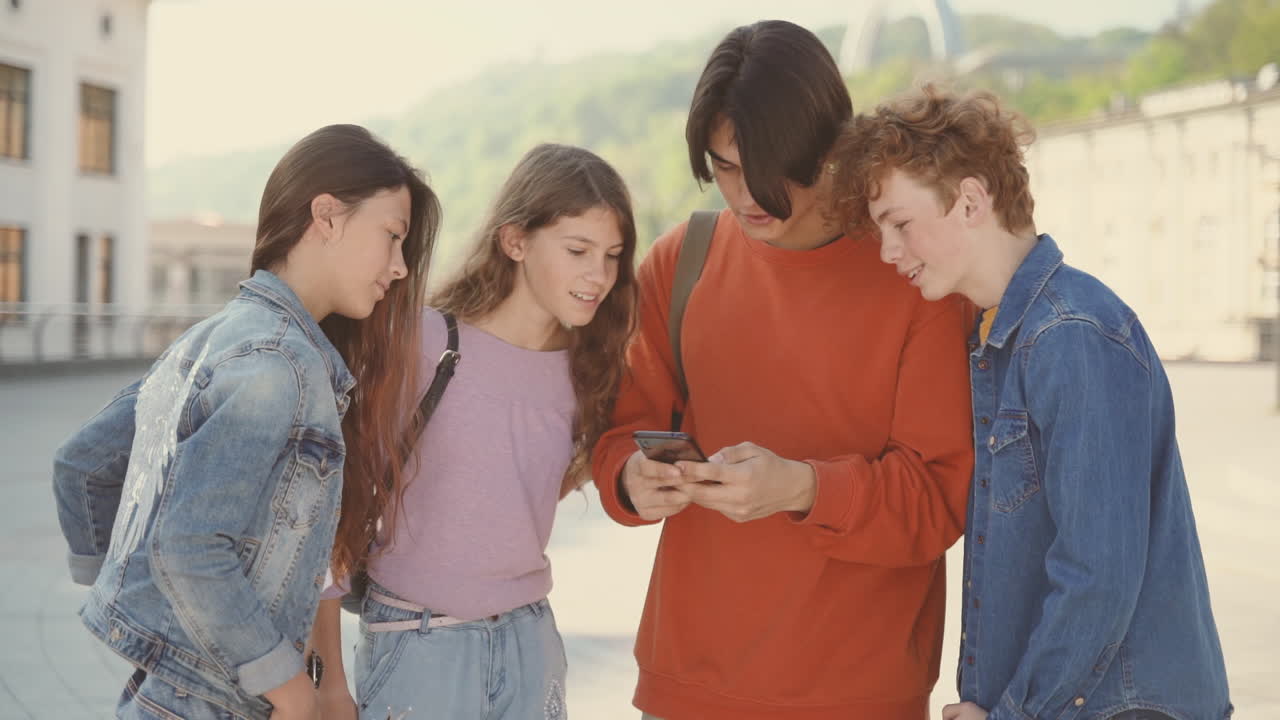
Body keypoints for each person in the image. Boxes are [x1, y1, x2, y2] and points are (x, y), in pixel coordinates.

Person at [589, 21, 976, 720]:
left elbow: (937, 500)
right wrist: (631, 478)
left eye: (765, 165)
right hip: (687, 687)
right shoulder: (685, 260)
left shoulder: (914, 274)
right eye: (724, 166)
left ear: (832, 143)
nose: (745, 195)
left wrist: (802, 487)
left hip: (857, 696)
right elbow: (622, 432)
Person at [831, 84, 1233, 720]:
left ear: (969, 202)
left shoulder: (1070, 335)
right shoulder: (1000, 340)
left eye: (900, 224)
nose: (888, 252)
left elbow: (1097, 577)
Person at [52, 124, 440, 720]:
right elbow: (189, 546)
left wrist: (155, 625)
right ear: (327, 217)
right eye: (392, 237)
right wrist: (288, 687)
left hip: (161, 695)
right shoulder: (280, 365)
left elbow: (81, 466)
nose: (400, 267)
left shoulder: (216, 336)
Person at [310, 143, 639, 720]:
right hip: (418, 644)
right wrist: (328, 680)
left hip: (529, 645)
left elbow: (522, 492)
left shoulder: (589, 369)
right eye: (578, 250)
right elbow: (332, 511)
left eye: (612, 256)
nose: (600, 276)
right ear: (514, 241)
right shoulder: (423, 343)